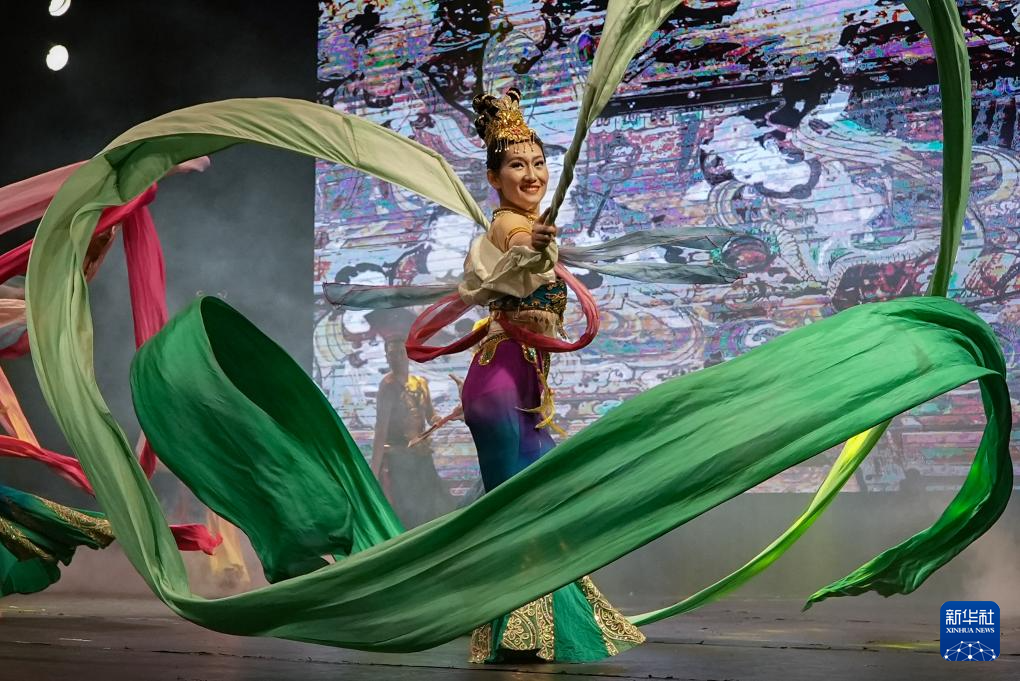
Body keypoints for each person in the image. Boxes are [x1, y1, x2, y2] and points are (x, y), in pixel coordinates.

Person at [446, 88, 644, 663]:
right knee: (520, 508)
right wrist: (530, 243)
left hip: (526, 388)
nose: (531, 175)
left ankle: (532, 631)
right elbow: (517, 248)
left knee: (542, 503)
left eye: (538, 163)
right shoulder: (510, 225)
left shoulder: (533, 227)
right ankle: (516, 630)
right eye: (516, 165)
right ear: (494, 178)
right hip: (498, 385)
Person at [372, 336, 454, 528]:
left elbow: (430, 414)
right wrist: (373, 470)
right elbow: (381, 429)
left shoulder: (420, 383)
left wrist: (438, 419)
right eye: (392, 354)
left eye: (401, 352)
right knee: (407, 509)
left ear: (407, 354)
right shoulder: (387, 386)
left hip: (421, 454)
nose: (397, 358)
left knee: (431, 504)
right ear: (387, 357)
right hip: (399, 458)